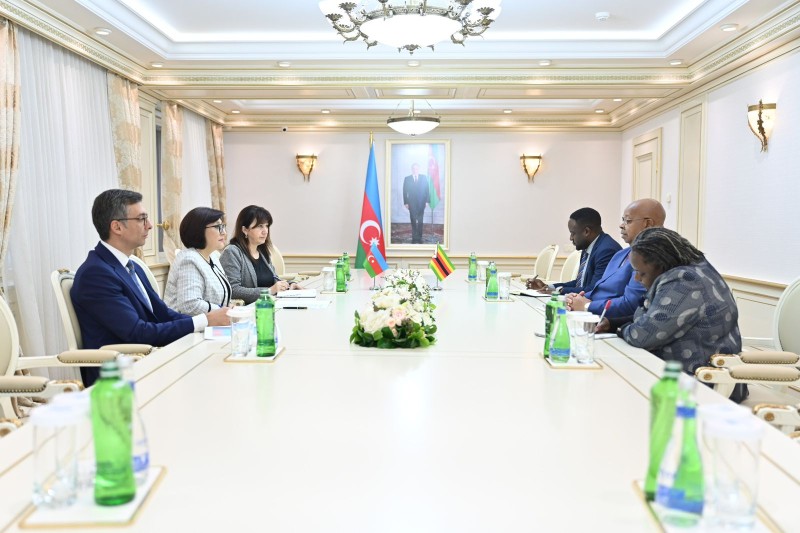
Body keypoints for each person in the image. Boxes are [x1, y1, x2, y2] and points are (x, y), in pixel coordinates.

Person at [71, 189, 230, 386]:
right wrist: (204, 320)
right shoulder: (96, 274)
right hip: (121, 376)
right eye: (142, 219)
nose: (150, 225)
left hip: (149, 360)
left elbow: (163, 314)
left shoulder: (132, 266)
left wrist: (209, 321)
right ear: (117, 227)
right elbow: (138, 333)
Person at [597, 227, 742, 376]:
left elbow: (642, 336)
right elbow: (657, 316)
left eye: (642, 273)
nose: (637, 278)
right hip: (697, 370)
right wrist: (613, 324)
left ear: (661, 264)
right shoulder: (697, 266)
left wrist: (621, 329)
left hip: (700, 379)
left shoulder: (684, 280)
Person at [567, 198, 666, 318]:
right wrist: (577, 298)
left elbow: (631, 304)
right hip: (593, 315)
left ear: (648, 224)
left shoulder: (651, 257)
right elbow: (600, 290)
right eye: (623, 220)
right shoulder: (620, 254)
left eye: (628, 221)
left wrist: (587, 306)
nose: (621, 225)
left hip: (608, 320)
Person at [527, 207, 620, 294]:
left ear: (586, 231)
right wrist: (548, 287)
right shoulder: (589, 246)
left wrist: (558, 291)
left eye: (573, 233)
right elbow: (580, 283)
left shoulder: (606, 251)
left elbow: (593, 290)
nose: (571, 238)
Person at [220, 205, 300, 304]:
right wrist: (269, 291)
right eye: (260, 226)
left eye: (266, 226)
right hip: (251, 309)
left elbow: (274, 280)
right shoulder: (232, 252)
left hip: (271, 304)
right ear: (245, 230)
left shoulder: (262, 251)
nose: (265, 231)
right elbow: (233, 290)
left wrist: (290, 285)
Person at [164, 207, 233, 315]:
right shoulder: (189, 260)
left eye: (223, 226)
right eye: (217, 227)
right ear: (198, 230)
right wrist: (223, 311)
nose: (223, 232)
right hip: (187, 324)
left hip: (212, 322)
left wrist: (229, 308)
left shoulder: (213, 256)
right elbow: (190, 304)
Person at [403, 163, 429, 244]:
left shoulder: (423, 177)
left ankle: (419, 237)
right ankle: (414, 237)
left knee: (420, 220)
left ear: (419, 169)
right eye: (414, 168)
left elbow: (427, 190)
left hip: (422, 202)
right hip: (411, 203)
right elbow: (404, 191)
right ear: (412, 169)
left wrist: (427, 201)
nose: (415, 170)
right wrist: (406, 202)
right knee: (413, 220)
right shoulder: (407, 179)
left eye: (416, 168)